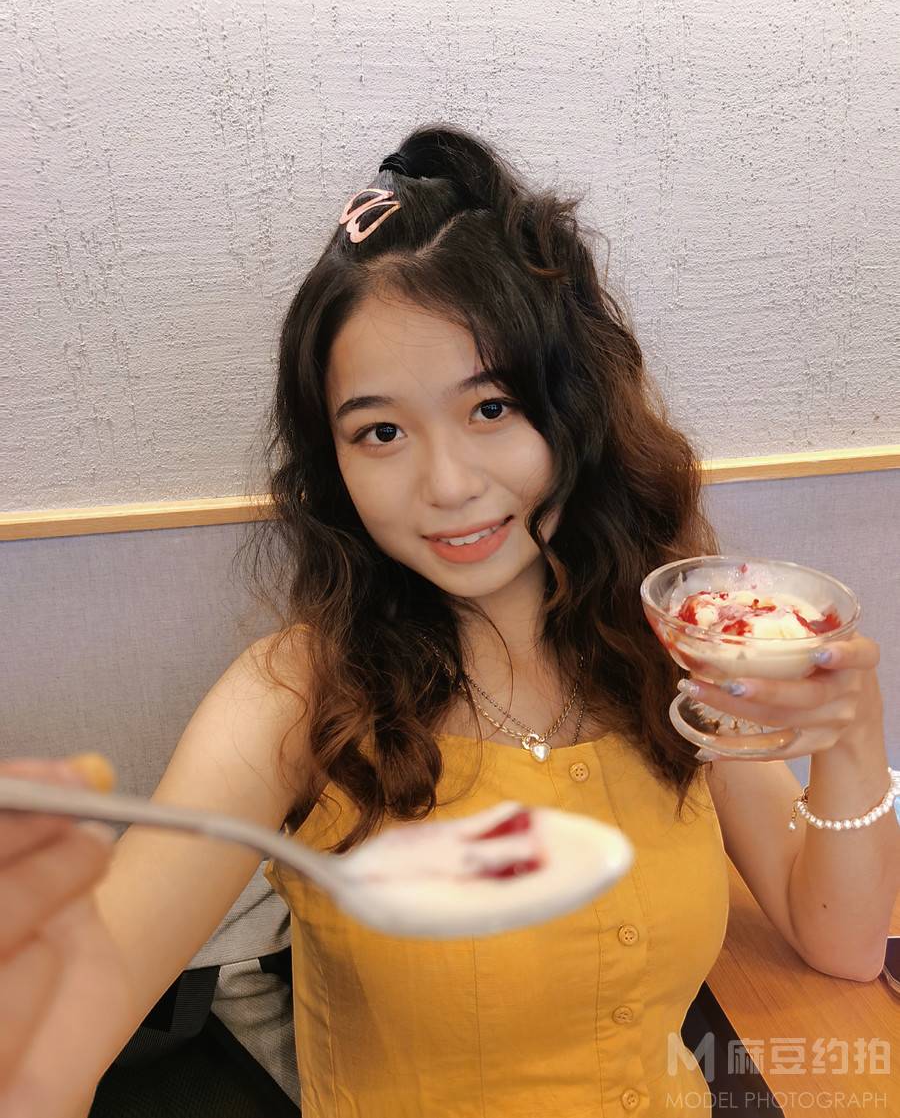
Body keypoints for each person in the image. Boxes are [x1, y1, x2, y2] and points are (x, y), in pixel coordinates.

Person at [4, 123, 897, 1118]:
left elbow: (842, 939)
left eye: (491, 409)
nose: (446, 484)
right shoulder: (294, 697)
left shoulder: (661, 643)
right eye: (381, 430)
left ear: (574, 407)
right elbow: (54, 1035)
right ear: (333, 461)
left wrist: (853, 733)